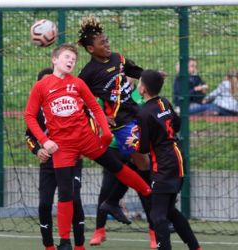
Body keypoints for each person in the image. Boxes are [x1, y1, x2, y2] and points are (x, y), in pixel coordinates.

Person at [25, 43, 151, 250]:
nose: (70, 61)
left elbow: (94, 107)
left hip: (86, 139)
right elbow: (29, 116)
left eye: (73, 60)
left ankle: (148, 192)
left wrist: (106, 131)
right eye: (66, 57)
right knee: (66, 194)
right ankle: (65, 242)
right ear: (54, 60)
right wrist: (44, 141)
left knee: (117, 166)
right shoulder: (41, 86)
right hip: (62, 148)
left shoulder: (78, 84)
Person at [76, 16, 154, 247]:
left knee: (141, 169)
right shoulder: (88, 73)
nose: (107, 44)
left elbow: (137, 71)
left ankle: (143, 220)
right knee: (140, 168)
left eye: (107, 40)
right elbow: (79, 101)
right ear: (91, 49)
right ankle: (102, 225)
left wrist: (152, 77)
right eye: (102, 43)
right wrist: (99, 119)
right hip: (119, 126)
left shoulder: (119, 59)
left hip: (134, 118)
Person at [126, 69, 202, 250]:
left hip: (164, 165)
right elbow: (176, 124)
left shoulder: (144, 114)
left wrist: (135, 141)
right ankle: (195, 246)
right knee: (169, 210)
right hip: (178, 159)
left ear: (142, 88)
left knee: (157, 215)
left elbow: (143, 148)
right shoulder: (164, 102)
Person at [26, 67, 86, 250]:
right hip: (49, 164)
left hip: (71, 162)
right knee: (45, 204)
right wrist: (37, 150)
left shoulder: (71, 105)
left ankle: (77, 245)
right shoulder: (35, 112)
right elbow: (29, 137)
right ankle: (49, 246)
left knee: (73, 199)